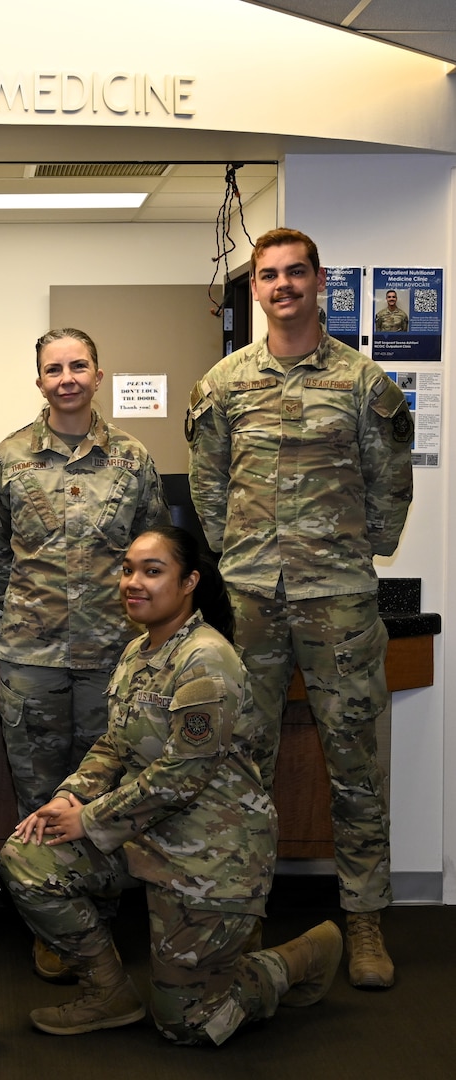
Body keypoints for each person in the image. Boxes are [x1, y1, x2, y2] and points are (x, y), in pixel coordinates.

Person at [0, 526, 342, 1046]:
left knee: (189, 1025)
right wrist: (69, 796)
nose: (133, 582)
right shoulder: (140, 651)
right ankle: (108, 993)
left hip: (213, 854)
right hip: (148, 835)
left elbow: (183, 774)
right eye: (128, 569)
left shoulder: (205, 658)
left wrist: (89, 820)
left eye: (152, 571)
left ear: (189, 582)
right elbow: (115, 745)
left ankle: (298, 957)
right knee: (28, 857)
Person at [187, 227, 414, 990]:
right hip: (251, 600)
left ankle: (364, 919)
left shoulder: (359, 381)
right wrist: (236, 556)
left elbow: (389, 484)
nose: (281, 285)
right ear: (253, 288)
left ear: (318, 281)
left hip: (338, 599)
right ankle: (244, 910)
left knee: (353, 763)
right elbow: (207, 485)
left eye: (294, 273)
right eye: (267, 275)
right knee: (240, 761)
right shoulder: (223, 383)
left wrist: (358, 552)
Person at [0, 327, 168, 979]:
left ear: (97, 373)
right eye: (53, 368)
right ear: (39, 381)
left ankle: (100, 920)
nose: (66, 378)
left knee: (103, 797)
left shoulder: (134, 459)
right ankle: (50, 923)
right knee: (37, 793)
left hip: (114, 660)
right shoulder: (9, 458)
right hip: (31, 662)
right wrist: (25, 603)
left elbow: (151, 554)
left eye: (78, 365)